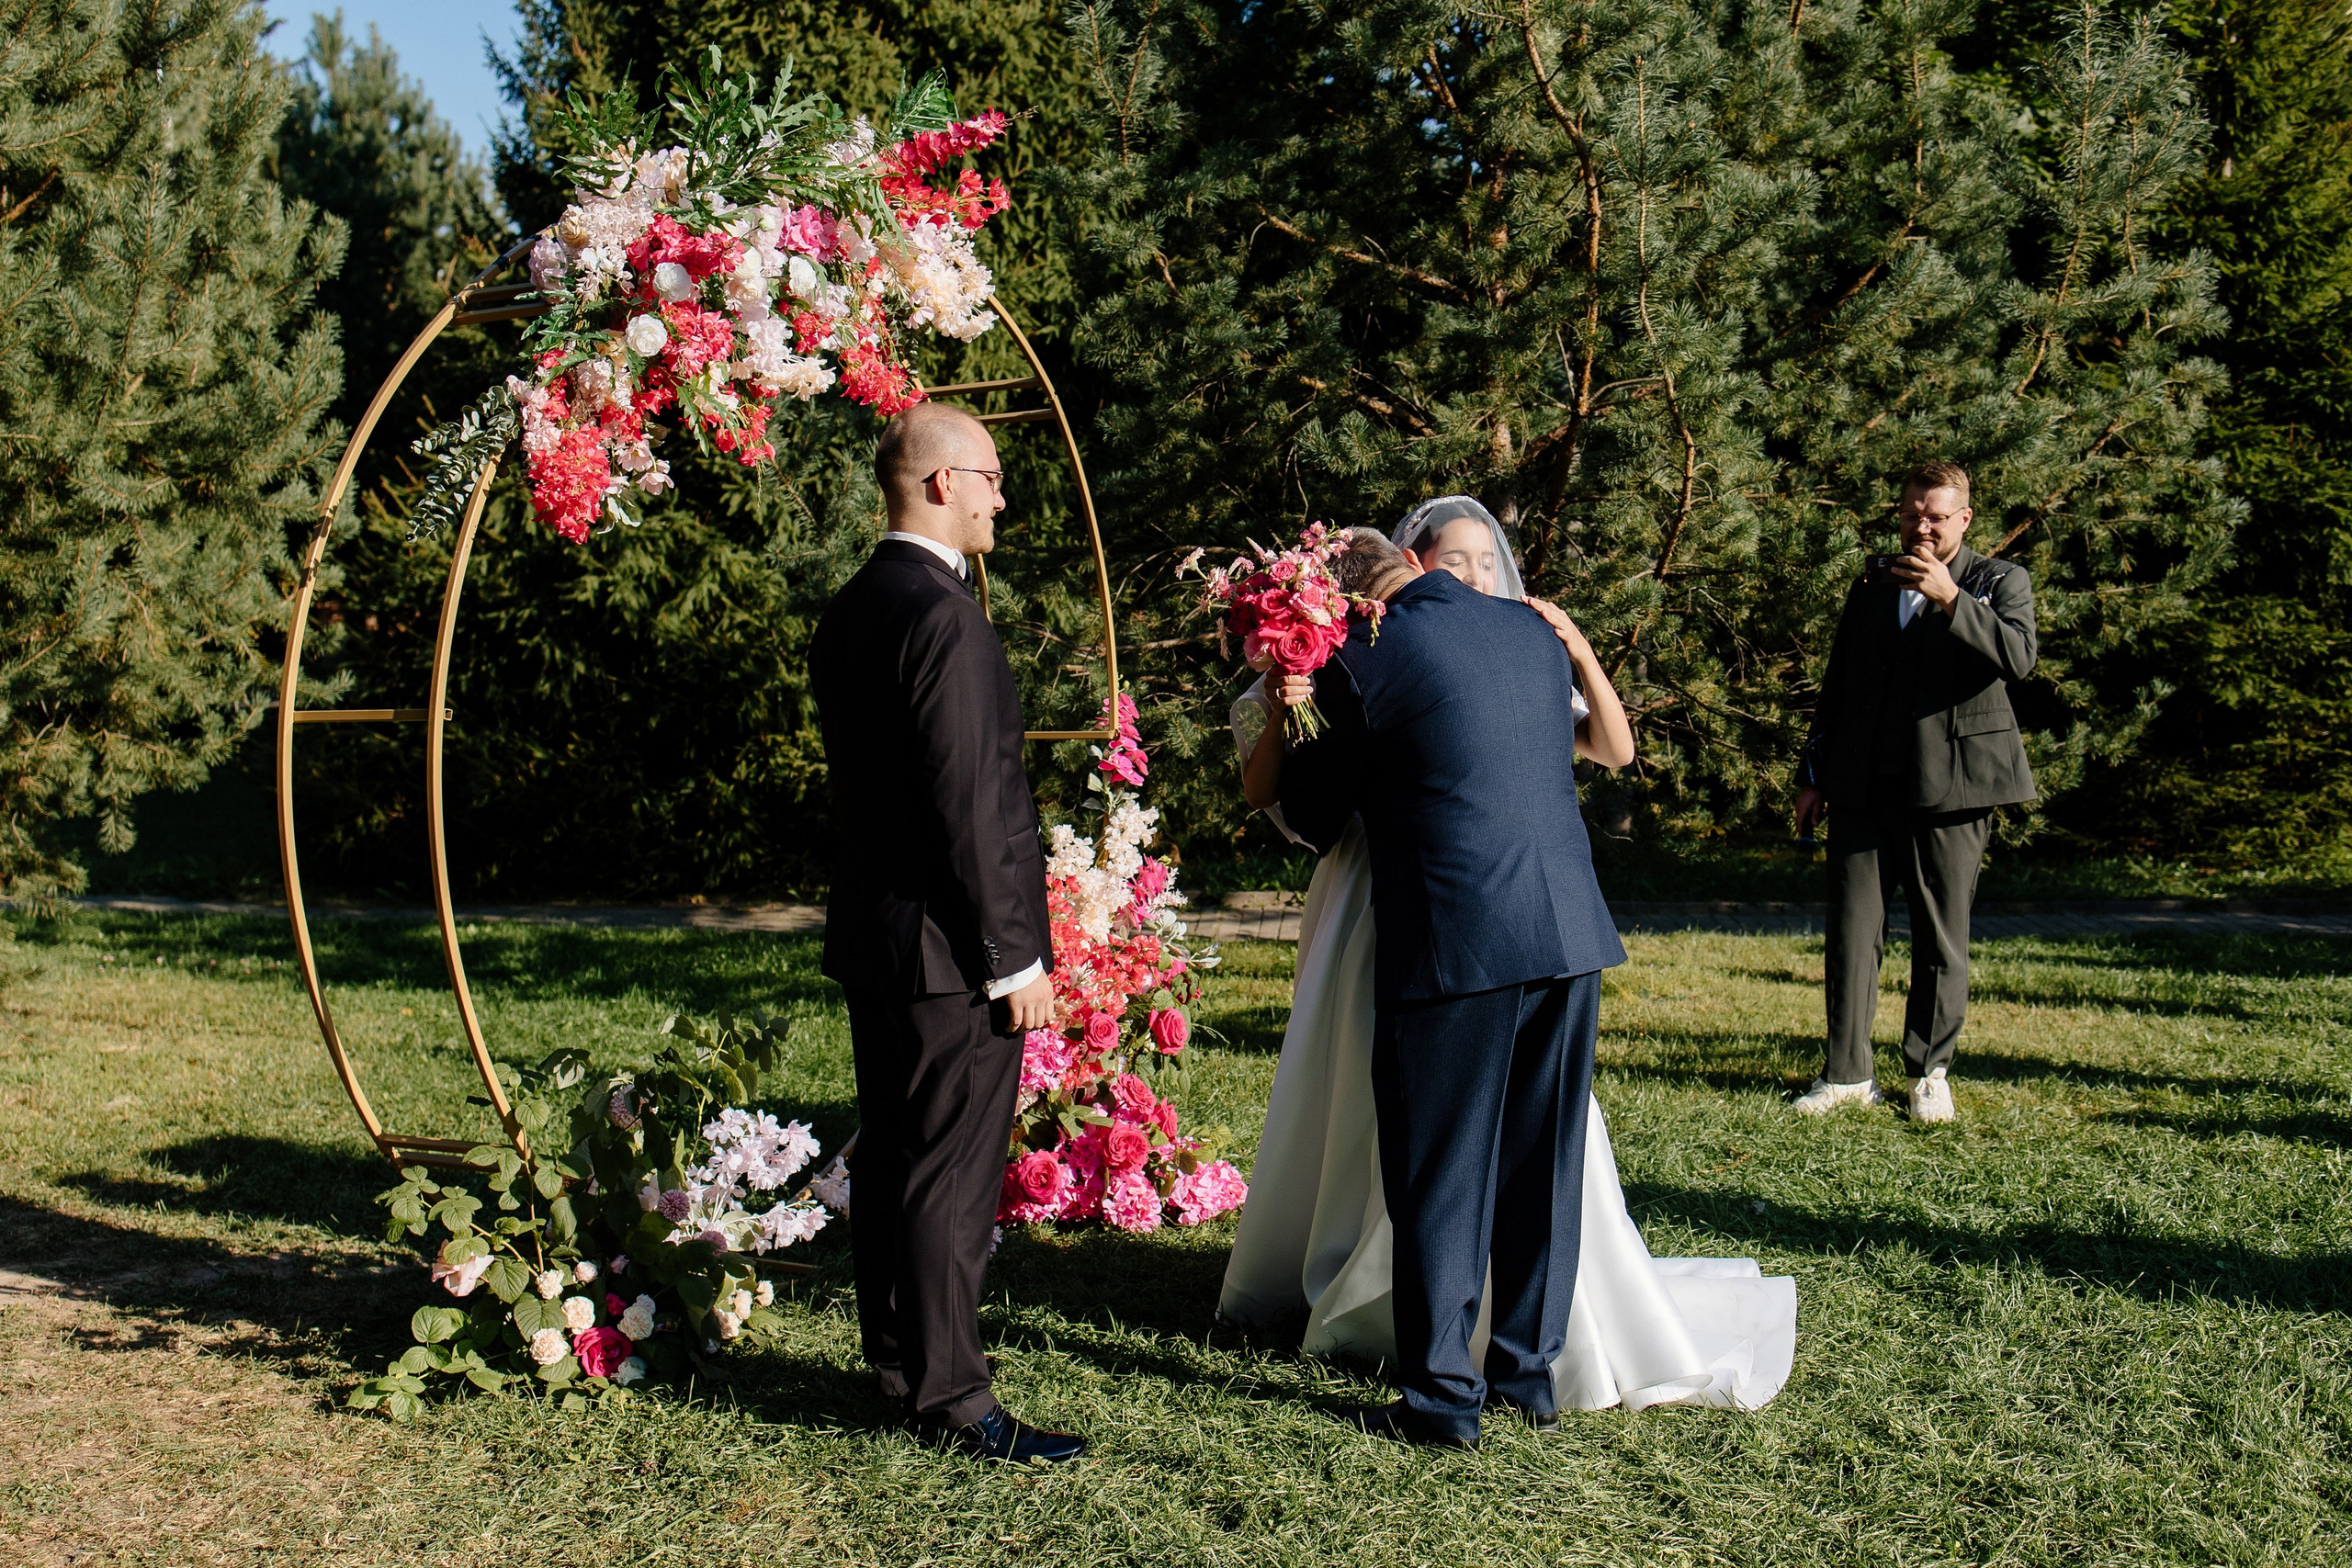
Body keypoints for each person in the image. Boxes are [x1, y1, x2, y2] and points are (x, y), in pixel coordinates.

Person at [1227, 499, 1796, 1449]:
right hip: (1567, 933)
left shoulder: (1364, 657)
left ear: (1349, 598)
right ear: (1422, 565)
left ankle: (1443, 1400)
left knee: (1440, 1173)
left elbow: (1315, 811)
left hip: (1457, 941)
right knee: (1542, 1161)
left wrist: (1291, 705)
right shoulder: (1528, 636)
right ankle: (1525, 1375)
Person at [808, 402, 1082, 1464]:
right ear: (937, 484)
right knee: (948, 1174)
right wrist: (1012, 956)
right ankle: (954, 1400)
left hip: (879, 935)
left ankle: (900, 1363)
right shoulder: (944, 617)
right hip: (948, 951)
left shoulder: (855, 606)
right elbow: (969, 806)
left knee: (893, 1161)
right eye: (991, 477)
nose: (1002, 497)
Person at [1792, 460, 2039, 1124]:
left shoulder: (1998, 581)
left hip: (1953, 790)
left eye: (1935, 514)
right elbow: (1839, 681)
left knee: (1940, 937)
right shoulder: (1873, 580)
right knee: (1850, 932)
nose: (1921, 525)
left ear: (1963, 519)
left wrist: (1951, 599)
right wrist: (1813, 775)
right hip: (1863, 783)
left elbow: (2019, 658)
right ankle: (1846, 1073)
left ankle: (1928, 1072)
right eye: (1911, 513)